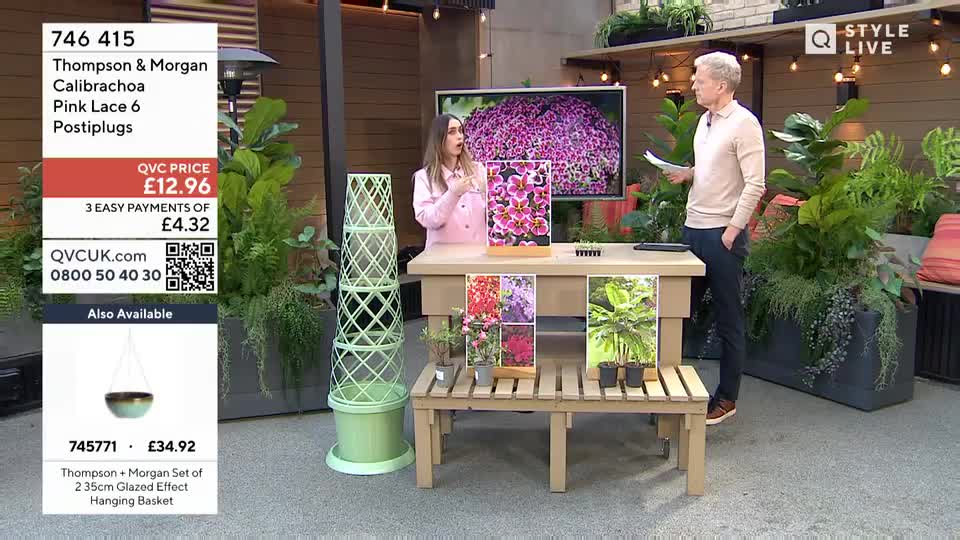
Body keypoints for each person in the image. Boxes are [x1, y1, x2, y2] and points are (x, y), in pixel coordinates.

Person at [667, 51, 765, 426]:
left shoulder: (744, 124)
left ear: (721, 85)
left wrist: (731, 232)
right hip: (693, 229)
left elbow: (755, 183)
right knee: (677, 312)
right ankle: (668, 393)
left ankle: (727, 398)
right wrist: (688, 174)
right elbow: (714, 166)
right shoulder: (704, 122)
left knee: (728, 320)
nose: (693, 83)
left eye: (699, 78)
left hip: (722, 237)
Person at [412, 114, 486, 248]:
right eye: (452, 132)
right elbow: (428, 220)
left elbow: (492, 213)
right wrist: (453, 194)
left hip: (478, 258)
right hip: (443, 262)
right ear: (439, 139)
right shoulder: (424, 177)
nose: (459, 136)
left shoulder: (478, 170)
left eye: (461, 131)